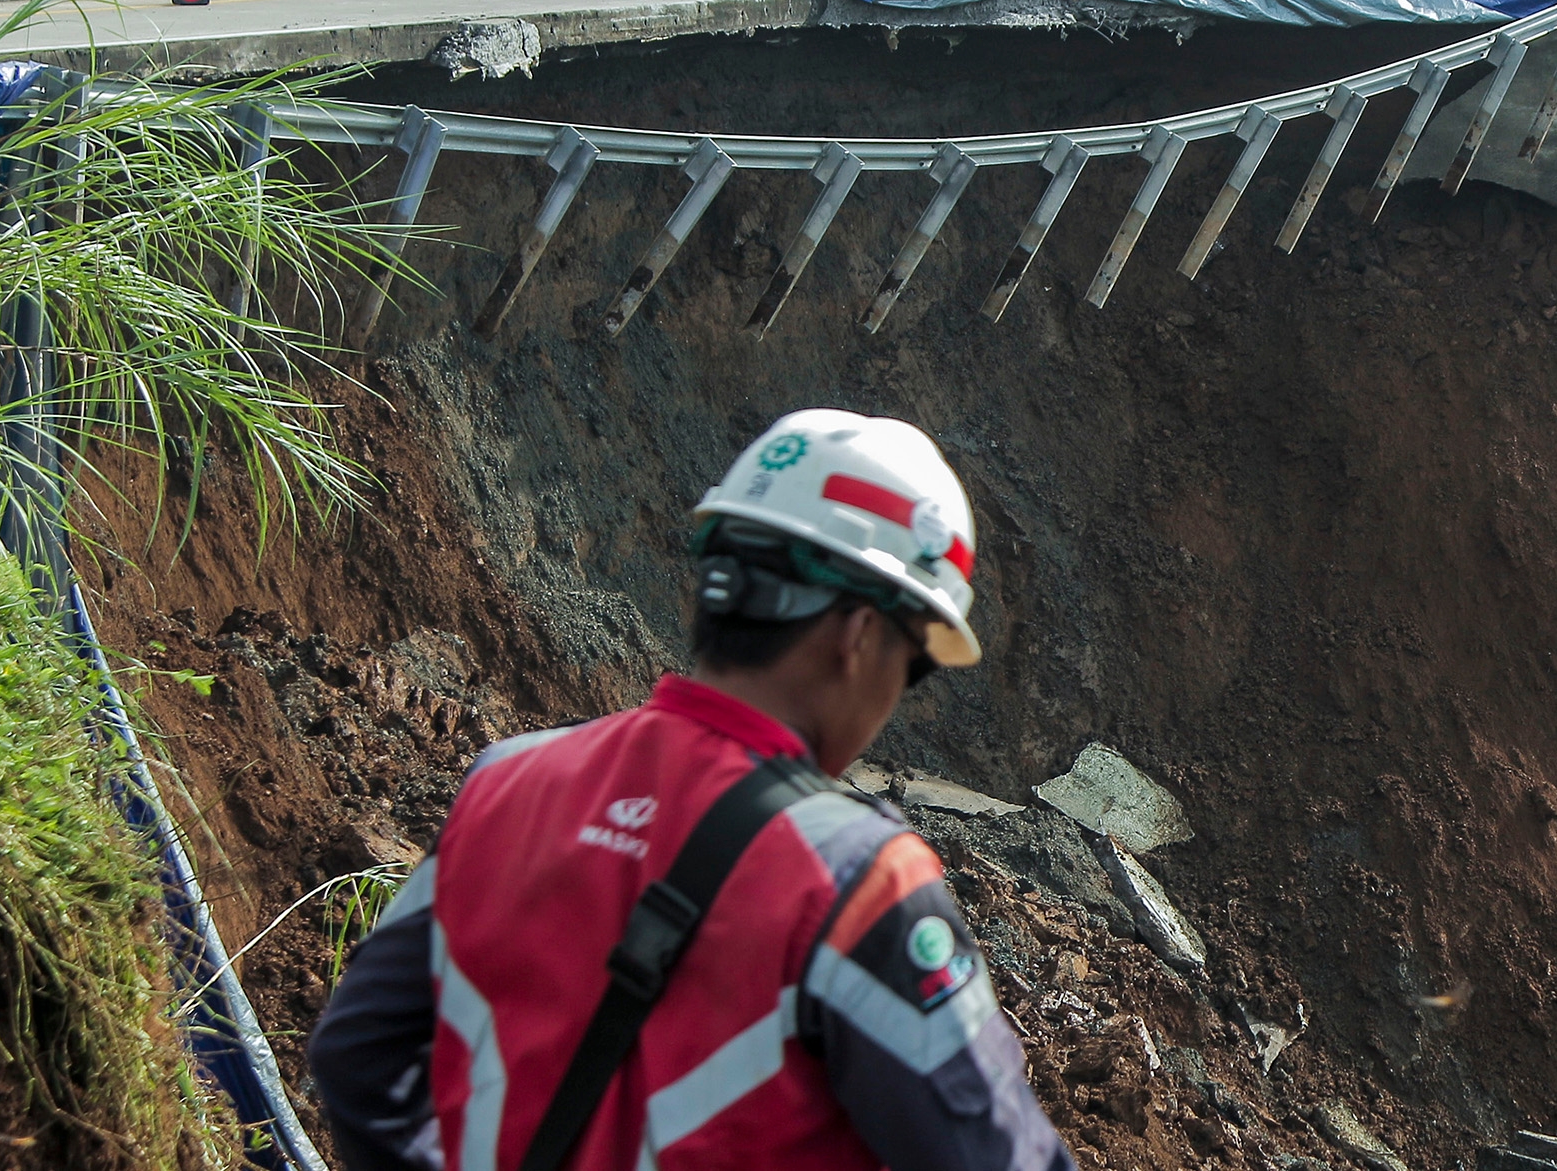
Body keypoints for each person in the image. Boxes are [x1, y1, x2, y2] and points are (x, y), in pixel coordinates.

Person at [308, 410, 1074, 1171]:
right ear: (860, 634)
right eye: (917, 662)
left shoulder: (506, 778)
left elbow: (356, 1055)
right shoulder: (859, 882)